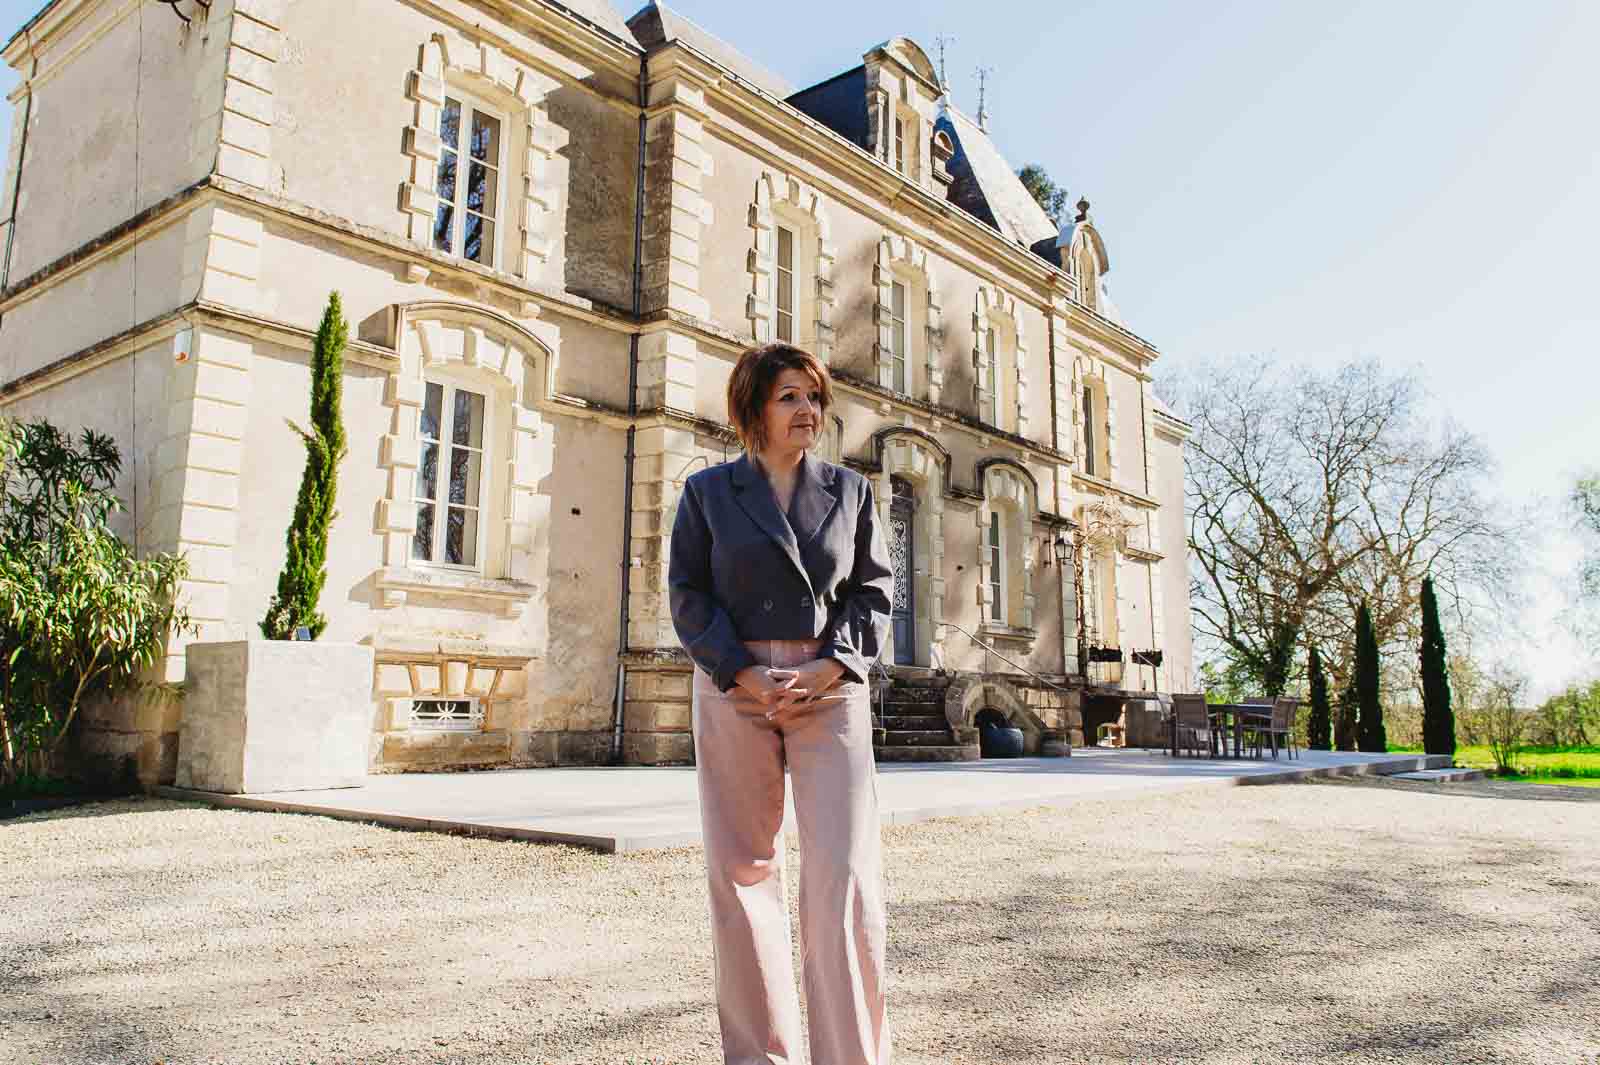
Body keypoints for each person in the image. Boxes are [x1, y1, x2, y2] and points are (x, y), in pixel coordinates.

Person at [668, 342, 895, 1065]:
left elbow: (874, 589)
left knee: (843, 874)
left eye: (814, 397)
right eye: (789, 396)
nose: (808, 410)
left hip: (830, 687)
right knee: (742, 872)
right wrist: (740, 671)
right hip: (735, 687)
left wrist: (833, 665)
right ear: (753, 409)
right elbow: (688, 594)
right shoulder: (707, 493)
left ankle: (851, 1055)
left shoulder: (851, 492)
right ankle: (760, 1056)